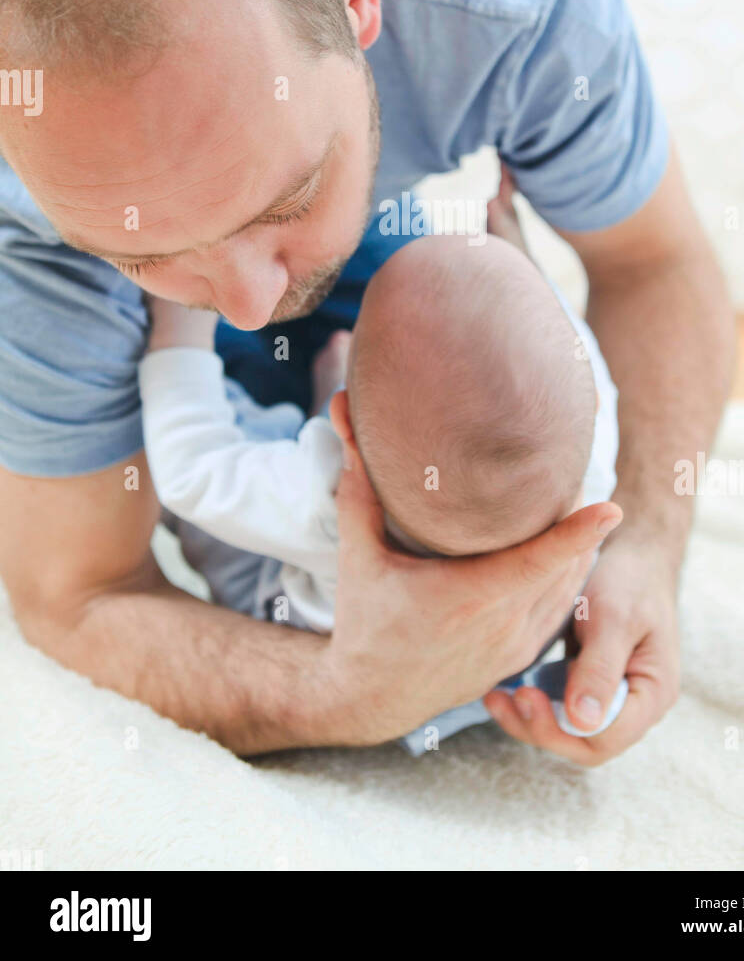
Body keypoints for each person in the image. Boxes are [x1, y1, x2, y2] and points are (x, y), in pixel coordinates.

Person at [0, 0, 734, 761]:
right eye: (142, 253)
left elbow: (653, 264)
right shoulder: (27, 203)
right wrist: (352, 691)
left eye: (287, 201)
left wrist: (644, 545)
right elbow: (77, 595)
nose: (247, 304)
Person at [139, 232, 628, 753]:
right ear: (595, 406)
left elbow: (192, 471)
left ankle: (307, 377)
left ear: (342, 426)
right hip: (508, 651)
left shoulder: (320, 496)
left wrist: (179, 327)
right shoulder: (593, 453)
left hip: (309, 634)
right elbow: (574, 347)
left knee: (184, 464)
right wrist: (517, 248)